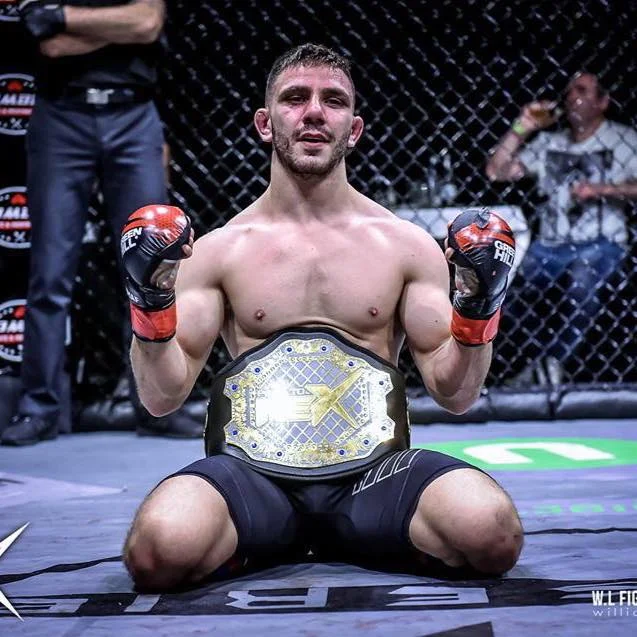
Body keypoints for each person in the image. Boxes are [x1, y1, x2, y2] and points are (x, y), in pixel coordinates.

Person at [121, 43, 523, 592]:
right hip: (253, 475)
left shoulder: (405, 246)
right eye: (295, 98)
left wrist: (479, 306)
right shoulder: (218, 251)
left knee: (491, 532)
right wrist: (148, 299)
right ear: (265, 124)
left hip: (373, 476)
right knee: (159, 547)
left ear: (353, 130)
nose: (313, 112)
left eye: (332, 101)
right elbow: (161, 396)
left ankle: (337, 535)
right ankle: (276, 534)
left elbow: (456, 393)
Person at [1, 0, 202, 445]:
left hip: (133, 115)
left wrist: (66, 18)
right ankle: (39, 407)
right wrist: (116, 28)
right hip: (62, 115)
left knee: (151, 265)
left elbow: (146, 22)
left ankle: (155, 406)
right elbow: (48, 42)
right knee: (49, 272)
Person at [486, 72, 637, 385]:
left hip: (602, 241)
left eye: (582, 91)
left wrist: (602, 190)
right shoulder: (550, 142)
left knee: (583, 281)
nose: (571, 98)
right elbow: (497, 172)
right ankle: (536, 366)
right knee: (507, 292)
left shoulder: (623, 139)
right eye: (568, 92)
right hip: (550, 244)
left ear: (603, 102)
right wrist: (523, 126)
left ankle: (554, 363)